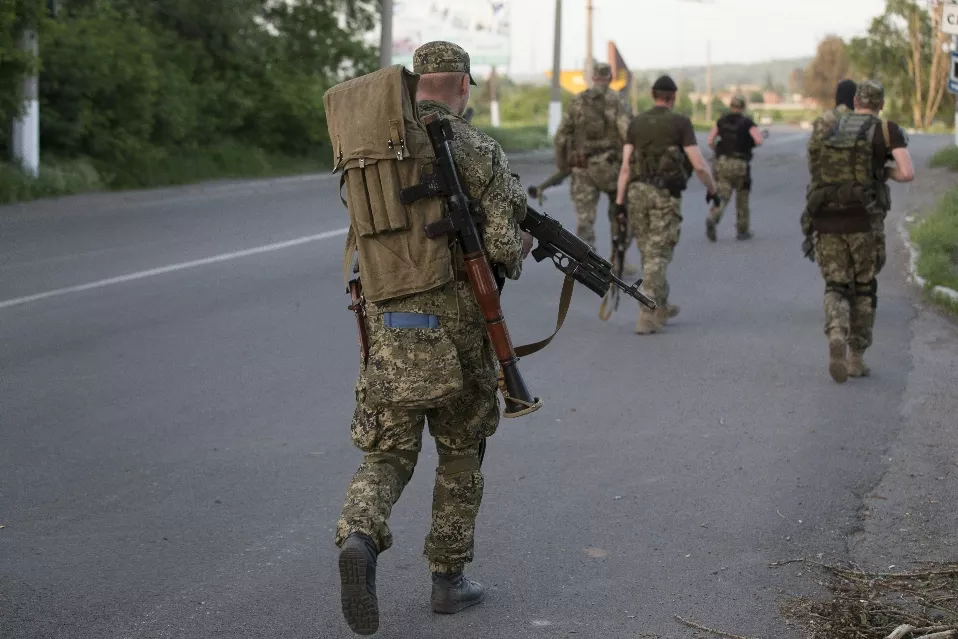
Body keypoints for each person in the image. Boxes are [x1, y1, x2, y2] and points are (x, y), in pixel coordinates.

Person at [335, 41, 531, 635]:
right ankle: (448, 580)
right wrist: (520, 247)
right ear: (464, 87)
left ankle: (361, 538)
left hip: (388, 325)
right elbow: (501, 244)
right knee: (461, 451)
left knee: (388, 453)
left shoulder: (372, 149)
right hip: (459, 331)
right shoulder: (475, 147)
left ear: (415, 84)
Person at [802, 80, 913, 382]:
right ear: (880, 104)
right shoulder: (886, 130)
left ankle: (836, 332)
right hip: (864, 221)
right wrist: (882, 172)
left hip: (826, 215)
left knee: (836, 285)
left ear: (854, 100)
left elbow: (815, 168)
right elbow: (906, 172)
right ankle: (856, 358)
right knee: (864, 287)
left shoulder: (829, 125)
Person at [615, 74, 718, 334]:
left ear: (652, 95)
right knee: (659, 254)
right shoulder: (680, 122)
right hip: (664, 195)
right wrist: (713, 190)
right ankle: (646, 311)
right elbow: (699, 164)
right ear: (673, 97)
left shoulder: (636, 123)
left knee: (649, 252)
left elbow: (626, 168)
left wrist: (619, 202)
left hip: (637, 194)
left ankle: (662, 305)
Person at [554, 62, 635, 272]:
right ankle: (619, 261)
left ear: (593, 78)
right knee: (618, 214)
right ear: (609, 77)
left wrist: (564, 166)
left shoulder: (578, 101)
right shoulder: (617, 101)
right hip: (612, 167)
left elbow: (562, 135)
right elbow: (628, 134)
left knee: (585, 219)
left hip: (583, 168)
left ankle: (586, 262)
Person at [705, 95, 764, 241]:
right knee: (742, 197)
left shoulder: (721, 121)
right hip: (740, 164)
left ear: (730, 106)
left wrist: (717, 150)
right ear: (743, 108)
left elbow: (710, 140)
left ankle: (713, 217)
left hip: (722, 163)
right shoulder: (747, 122)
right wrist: (748, 145)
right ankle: (742, 230)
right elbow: (758, 140)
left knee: (723, 195)